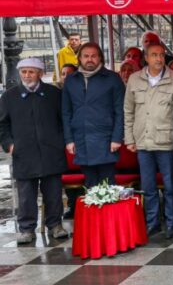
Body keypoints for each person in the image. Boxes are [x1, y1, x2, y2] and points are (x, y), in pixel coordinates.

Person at [0, 58, 68, 245]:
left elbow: (64, 120)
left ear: (40, 73)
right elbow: (2, 125)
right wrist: (10, 145)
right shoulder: (9, 96)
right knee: (26, 195)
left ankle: (55, 225)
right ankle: (27, 229)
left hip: (51, 151)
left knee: (53, 192)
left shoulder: (54, 94)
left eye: (31, 72)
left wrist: (60, 141)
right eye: (24, 72)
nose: (27, 75)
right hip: (24, 153)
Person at [124, 43, 173, 238]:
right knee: (148, 186)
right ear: (146, 57)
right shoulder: (134, 80)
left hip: (166, 141)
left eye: (161, 55)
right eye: (154, 55)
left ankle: (171, 223)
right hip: (142, 141)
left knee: (170, 186)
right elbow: (128, 111)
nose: (158, 59)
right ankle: (152, 223)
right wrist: (129, 138)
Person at [62, 42, 125, 188]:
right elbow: (66, 112)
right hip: (81, 140)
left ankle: (109, 212)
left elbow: (120, 111)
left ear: (100, 58)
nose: (89, 59)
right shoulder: (71, 80)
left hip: (106, 140)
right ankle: (93, 212)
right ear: (80, 59)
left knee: (108, 188)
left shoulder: (112, 78)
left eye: (93, 56)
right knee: (90, 187)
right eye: (86, 56)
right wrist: (69, 140)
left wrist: (117, 138)